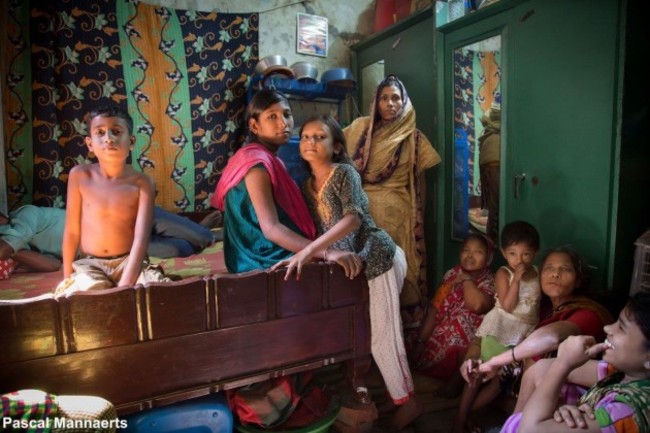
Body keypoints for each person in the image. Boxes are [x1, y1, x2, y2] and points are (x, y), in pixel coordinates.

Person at [271, 115, 421, 430]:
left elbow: (353, 219)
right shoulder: (305, 186)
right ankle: (363, 388)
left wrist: (310, 251)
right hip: (353, 264)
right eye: (306, 137)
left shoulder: (344, 174)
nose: (311, 142)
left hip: (377, 254)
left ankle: (410, 403)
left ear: (336, 146)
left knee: (382, 335)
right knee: (360, 329)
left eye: (320, 137)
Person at [460, 246, 614, 428]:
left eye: (565, 269)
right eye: (548, 268)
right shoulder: (535, 309)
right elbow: (482, 336)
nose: (555, 274)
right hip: (516, 392)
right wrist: (471, 359)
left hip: (558, 410)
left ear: (578, 280)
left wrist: (496, 361)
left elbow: (550, 338)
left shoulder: (587, 313)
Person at [211, 89, 359, 276]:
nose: (283, 123)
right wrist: (327, 252)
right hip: (258, 256)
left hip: (259, 247)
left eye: (287, 115)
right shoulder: (256, 166)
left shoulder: (268, 159)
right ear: (254, 125)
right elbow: (272, 229)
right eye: (272, 116)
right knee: (345, 258)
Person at [343, 74, 441, 329]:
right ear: (375, 102)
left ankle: (396, 327)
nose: (389, 103)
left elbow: (419, 184)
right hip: (359, 213)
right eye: (384, 98)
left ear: (404, 102)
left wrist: (418, 216)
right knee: (360, 268)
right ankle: (363, 325)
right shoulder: (359, 129)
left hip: (398, 215)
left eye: (395, 98)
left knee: (397, 268)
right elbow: (334, 149)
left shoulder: (414, 137)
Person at [56, 105, 169, 297]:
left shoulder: (143, 182)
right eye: (100, 133)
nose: (108, 138)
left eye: (116, 132)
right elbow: (72, 231)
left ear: (131, 141)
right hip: (90, 264)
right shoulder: (79, 176)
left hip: (129, 261)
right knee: (87, 294)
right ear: (90, 144)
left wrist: (126, 283)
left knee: (155, 289)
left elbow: (141, 238)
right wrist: (68, 276)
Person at [501, 292, 650, 432]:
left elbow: (529, 430)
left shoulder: (627, 411)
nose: (607, 328)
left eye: (622, 328)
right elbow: (542, 368)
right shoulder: (624, 372)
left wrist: (563, 363)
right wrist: (561, 406)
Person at [451, 220, 541, 433]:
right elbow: (508, 306)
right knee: (479, 373)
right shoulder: (504, 274)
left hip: (522, 335)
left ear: (536, 252)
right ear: (503, 252)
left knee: (500, 380)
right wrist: (516, 280)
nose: (519, 260)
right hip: (501, 330)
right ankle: (460, 418)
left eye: (526, 254)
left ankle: (469, 415)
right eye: (512, 254)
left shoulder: (538, 273)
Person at [0, 204, 220, 276]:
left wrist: (10, 248)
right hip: (112, 245)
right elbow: (53, 265)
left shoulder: (25, 214)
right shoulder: (21, 244)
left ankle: (203, 230)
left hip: (121, 219)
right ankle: (194, 229)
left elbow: (6, 246)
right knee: (181, 249)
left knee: (203, 238)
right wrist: (16, 252)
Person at [412, 233, 495, 396]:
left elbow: (477, 306)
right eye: (466, 250)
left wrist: (466, 280)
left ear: (489, 258)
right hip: (443, 334)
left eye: (478, 252)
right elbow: (435, 308)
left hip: (473, 339)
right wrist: (420, 343)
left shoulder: (490, 281)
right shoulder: (451, 275)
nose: (470, 256)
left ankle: (457, 380)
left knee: (461, 321)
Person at [478, 104, 500, 243]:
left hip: (490, 169)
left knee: (494, 205)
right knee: (497, 205)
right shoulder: (497, 134)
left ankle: (491, 239)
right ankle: (493, 239)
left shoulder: (489, 134)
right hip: (495, 169)